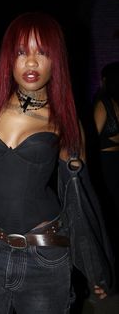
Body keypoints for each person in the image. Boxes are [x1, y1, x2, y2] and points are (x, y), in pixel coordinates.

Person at [0, 11, 112, 314]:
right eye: (21, 52)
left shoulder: (64, 122)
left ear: (55, 59)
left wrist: (94, 262)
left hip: (43, 255)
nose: (31, 62)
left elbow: (81, 197)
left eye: (42, 52)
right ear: (9, 58)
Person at [93, 61, 119, 288]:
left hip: (105, 164)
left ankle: (107, 272)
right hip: (116, 162)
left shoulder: (104, 104)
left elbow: (92, 137)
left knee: (105, 216)